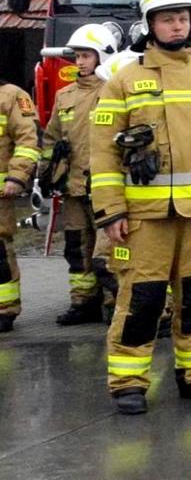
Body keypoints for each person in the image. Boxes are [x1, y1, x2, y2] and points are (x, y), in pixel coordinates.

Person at [90, 0, 191, 413]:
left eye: (182, 18)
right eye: (167, 19)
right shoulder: (123, 82)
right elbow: (103, 154)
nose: (177, 26)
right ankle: (128, 383)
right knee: (141, 301)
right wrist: (111, 212)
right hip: (145, 219)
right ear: (149, 25)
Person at [41, 24, 118, 326]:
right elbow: (51, 139)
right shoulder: (65, 96)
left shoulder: (113, 90)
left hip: (104, 187)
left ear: (103, 56)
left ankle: (113, 303)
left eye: (87, 55)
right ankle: (83, 302)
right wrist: (49, 174)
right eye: (77, 57)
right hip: (72, 187)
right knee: (76, 247)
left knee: (108, 251)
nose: (80, 62)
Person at [0, 64, 38, 333]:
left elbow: (27, 140)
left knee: (0, 251)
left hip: (1, 193)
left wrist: (17, 176)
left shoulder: (12, 96)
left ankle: (5, 309)